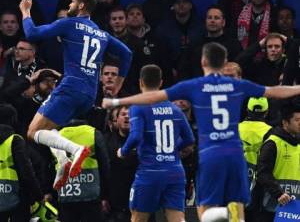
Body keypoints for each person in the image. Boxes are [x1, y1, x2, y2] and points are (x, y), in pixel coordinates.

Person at [102, 42, 300, 222]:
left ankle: (222, 213)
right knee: (236, 207)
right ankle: (231, 215)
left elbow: (153, 97)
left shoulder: (194, 85)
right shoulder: (237, 85)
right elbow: (275, 90)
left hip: (209, 153)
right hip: (234, 153)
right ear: (224, 63)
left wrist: (118, 102)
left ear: (203, 61)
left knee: (204, 213)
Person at [18, 0, 132, 189]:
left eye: (72, 2)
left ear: (80, 6)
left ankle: (76, 150)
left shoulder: (69, 23)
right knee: (50, 130)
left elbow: (32, 33)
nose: (69, 5)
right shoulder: (101, 33)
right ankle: (62, 161)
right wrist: (119, 82)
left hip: (71, 87)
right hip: (89, 95)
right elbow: (127, 54)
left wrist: (25, 11)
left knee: (32, 132)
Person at [116, 65, 194, 222]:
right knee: (177, 218)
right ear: (161, 83)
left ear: (140, 83)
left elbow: (136, 137)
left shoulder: (138, 107)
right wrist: (171, 149)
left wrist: (122, 151)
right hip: (175, 171)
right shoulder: (175, 109)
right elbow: (190, 139)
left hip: (150, 172)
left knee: (138, 217)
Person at [256, 101, 300, 222]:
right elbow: (262, 173)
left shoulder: (298, 144)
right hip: (273, 207)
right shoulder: (273, 143)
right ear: (285, 122)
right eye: (297, 120)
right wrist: (278, 193)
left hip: (295, 208)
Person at [0, 104, 43, 222]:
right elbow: (26, 172)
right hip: (17, 199)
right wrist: (37, 195)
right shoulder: (15, 140)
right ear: (13, 120)